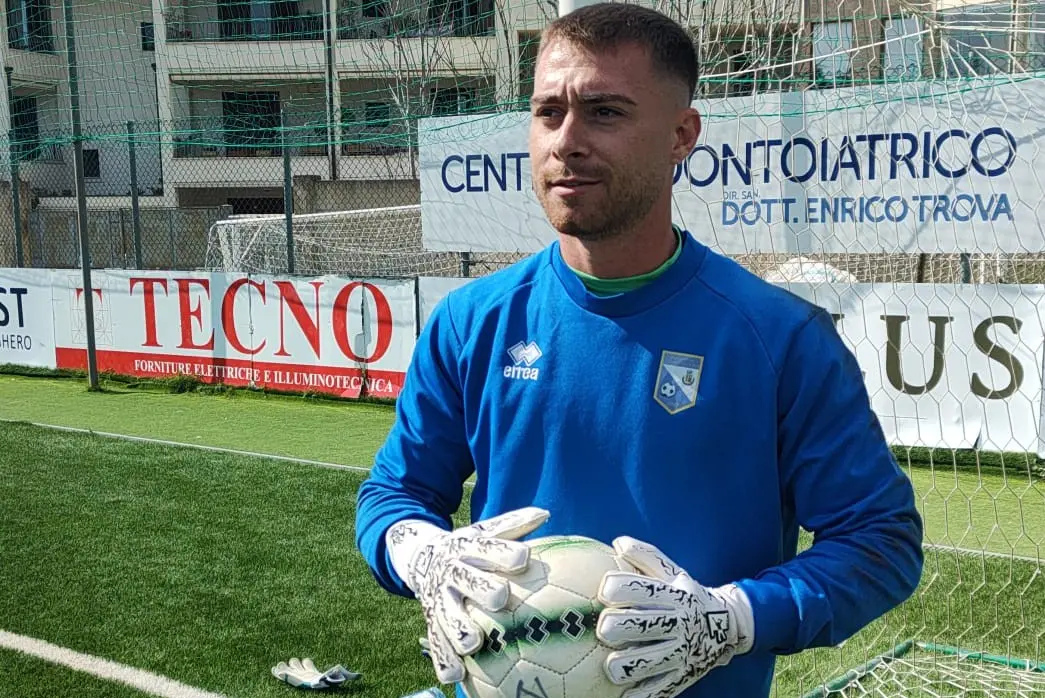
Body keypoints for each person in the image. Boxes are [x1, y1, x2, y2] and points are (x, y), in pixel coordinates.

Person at [354, 4, 925, 698]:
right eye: (547, 112)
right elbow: (395, 495)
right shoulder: (472, 321)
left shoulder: (780, 339)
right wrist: (422, 556)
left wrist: (732, 619)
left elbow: (878, 542)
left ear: (681, 136)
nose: (566, 141)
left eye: (605, 113)